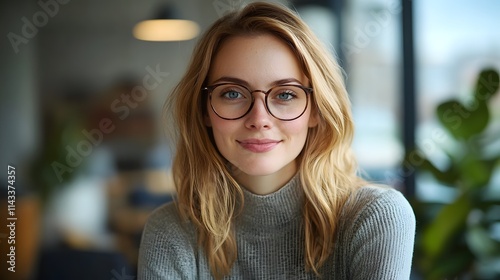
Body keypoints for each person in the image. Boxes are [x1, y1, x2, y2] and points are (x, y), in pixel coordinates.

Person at [138, 2, 416, 279]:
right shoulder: (171, 230)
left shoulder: (374, 217)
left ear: (316, 110)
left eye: (285, 94)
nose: (259, 118)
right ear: (204, 110)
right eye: (233, 93)